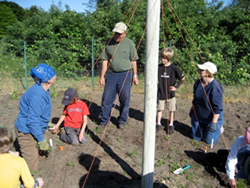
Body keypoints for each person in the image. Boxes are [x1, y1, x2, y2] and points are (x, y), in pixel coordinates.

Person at [15, 63, 56, 171]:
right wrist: (41, 140)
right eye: (53, 75)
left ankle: (15, 156)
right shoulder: (39, 95)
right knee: (32, 167)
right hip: (26, 132)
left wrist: (46, 124)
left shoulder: (43, 90)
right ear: (48, 80)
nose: (55, 76)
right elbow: (32, 120)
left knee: (28, 155)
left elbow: (37, 113)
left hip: (31, 129)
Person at [98, 22, 139, 129]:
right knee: (107, 98)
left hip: (125, 75)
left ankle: (122, 120)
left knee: (125, 98)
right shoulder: (109, 43)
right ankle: (104, 120)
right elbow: (105, 60)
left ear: (125, 33)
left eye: (119, 34)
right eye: (115, 33)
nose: (116, 35)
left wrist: (135, 76)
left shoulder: (129, 43)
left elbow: (134, 60)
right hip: (111, 75)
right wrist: (102, 76)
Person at [190, 61, 223, 145]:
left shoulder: (215, 87)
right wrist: (192, 109)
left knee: (208, 141)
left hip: (211, 117)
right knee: (196, 138)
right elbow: (195, 99)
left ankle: (219, 127)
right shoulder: (198, 83)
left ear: (208, 73)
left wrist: (214, 123)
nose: (199, 70)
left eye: (202, 69)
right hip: (199, 114)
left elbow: (217, 108)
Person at [156, 47, 185, 134]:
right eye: (162, 57)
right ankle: (158, 123)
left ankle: (171, 124)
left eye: (165, 58)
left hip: (171, 94)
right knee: (159, 109)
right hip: (161, 93)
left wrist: (176, 87)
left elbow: (182, 78)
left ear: (169, 58)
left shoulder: (174, 68)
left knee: (172, 110)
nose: (163, 59)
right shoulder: (159, 67)